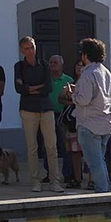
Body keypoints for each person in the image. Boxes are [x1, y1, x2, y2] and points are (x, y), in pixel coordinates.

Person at [66, 37, 111, 192]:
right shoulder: (105, 72)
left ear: (85, 55)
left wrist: (71, 95)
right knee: (100, 159)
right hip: (105, 122)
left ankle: (102, 190)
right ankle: (104, 188)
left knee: (94, 162)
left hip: (89, 124)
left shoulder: (88, 74)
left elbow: (84, 99)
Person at [15, 36, 62, 192]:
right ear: (22, 50)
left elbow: (48, 87)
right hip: (28, 109)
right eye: (27, 48)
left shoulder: (44, 65)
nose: (30, 51)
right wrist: (32, 88)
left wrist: (29, 88)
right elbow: (19, 89)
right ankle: (35, 180)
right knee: (32, 147)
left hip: (45, 108)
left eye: (32, 47)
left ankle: (55, 180)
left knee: (51, 146)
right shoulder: (19, 66)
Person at [46, 54, 76, 185]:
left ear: (61, 65)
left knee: (65, 146)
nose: (52, 65)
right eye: (51, 62)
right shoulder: (45, 80)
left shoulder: (69, 80)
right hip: (47, 115)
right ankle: (50, 173)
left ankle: (68, 173)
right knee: (48, 145)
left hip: (63, 116)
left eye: (55, 63)